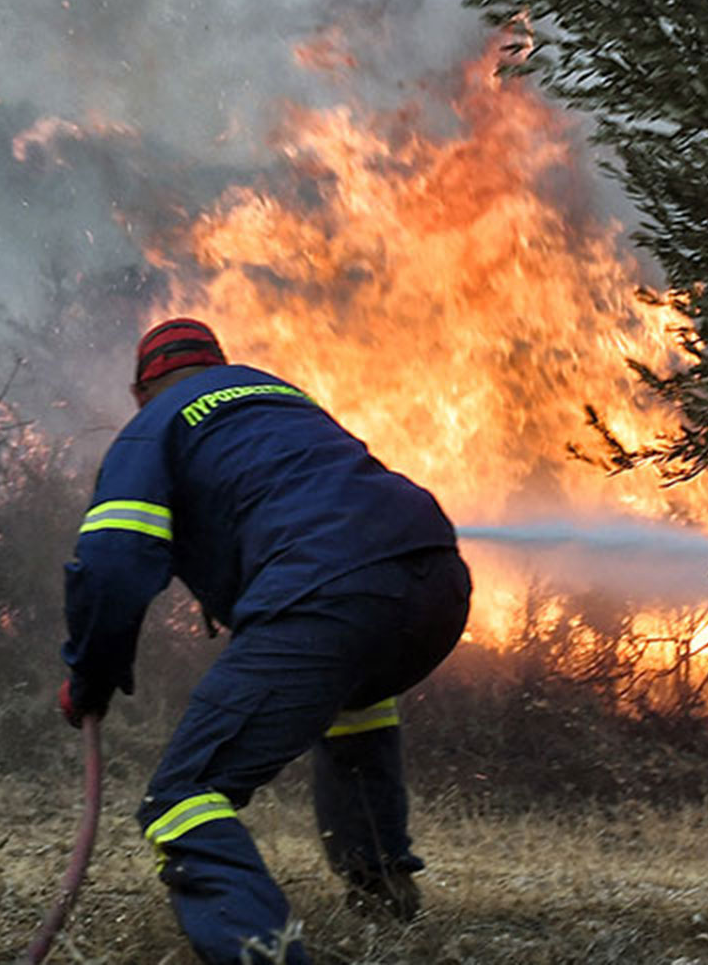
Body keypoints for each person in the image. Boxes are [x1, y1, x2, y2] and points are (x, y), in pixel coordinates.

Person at [58, 317, 471, 965]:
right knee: (355, 700)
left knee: (183, 798)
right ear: (220, 366)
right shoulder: (280, 397)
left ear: (143, 389)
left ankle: (264, 956)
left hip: (327, 593)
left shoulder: (156, 423)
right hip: (439, 584)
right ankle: (384, 899)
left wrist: (90, 675)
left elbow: (110, 561)